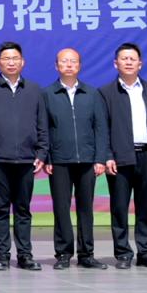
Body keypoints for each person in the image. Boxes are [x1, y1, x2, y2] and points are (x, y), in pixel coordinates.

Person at [0, 41, 48, 271]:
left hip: (27, 160)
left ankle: (25, 255)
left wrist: (42, 152)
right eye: (6, 58)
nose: (11, 62)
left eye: (15, 58)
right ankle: (3, 255)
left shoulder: (34, 89)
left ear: (23, 62)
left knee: (23, 210)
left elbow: (42, 124)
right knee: (1, 210)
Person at [99, 43, 147, 269]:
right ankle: (123, 253)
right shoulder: (106, 92)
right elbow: (102, 128)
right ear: (116, 63)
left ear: (140, 64)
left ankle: (146, 252)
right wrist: (107, 155)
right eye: (124, 58)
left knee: (146, 206)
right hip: (119, 158)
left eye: (133, 59)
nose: (129, 62)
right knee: (119, 207)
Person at [43, 48, 109, 270]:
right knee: (61, 208)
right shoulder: (47, 94)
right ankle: (63, 253)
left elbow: (100, 128)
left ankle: (86, 254)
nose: (69, 65)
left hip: (88, 160)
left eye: (73, 61)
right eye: (64, 61)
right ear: (56, 66)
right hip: (59, 160)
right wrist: (47, 157)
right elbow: (44, 128)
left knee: (85, 208)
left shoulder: (92, 93)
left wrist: (100, 158)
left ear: (79, 66)